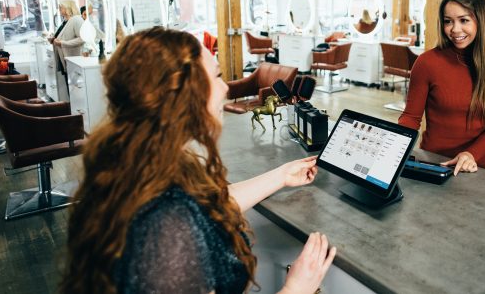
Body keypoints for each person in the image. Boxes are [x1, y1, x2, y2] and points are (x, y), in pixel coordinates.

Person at [60, 28, 336, 294]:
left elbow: (209, 205)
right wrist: (296, 288)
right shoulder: (166, 229)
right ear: (182, 93)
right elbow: (184, 214)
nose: (225, 88)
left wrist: (282, 175)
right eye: (216, 76)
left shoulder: (140, 163)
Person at [399, 0, 485, 175]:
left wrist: (470, 154)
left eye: (464, 20)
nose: (454, 29)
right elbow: (411, 118)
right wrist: (394, 145)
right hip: (432, 162)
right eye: (448, 21)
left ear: (481, 20)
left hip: (475, 166)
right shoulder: (427, 62)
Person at [52, 0, 83, 74]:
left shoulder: (77, 20)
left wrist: (62, 43)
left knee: (72, 83)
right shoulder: (65, 21)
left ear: (68, 8)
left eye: (61, 7)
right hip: (63, 56)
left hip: (73, 58)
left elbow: (82, 39)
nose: (59, 9)